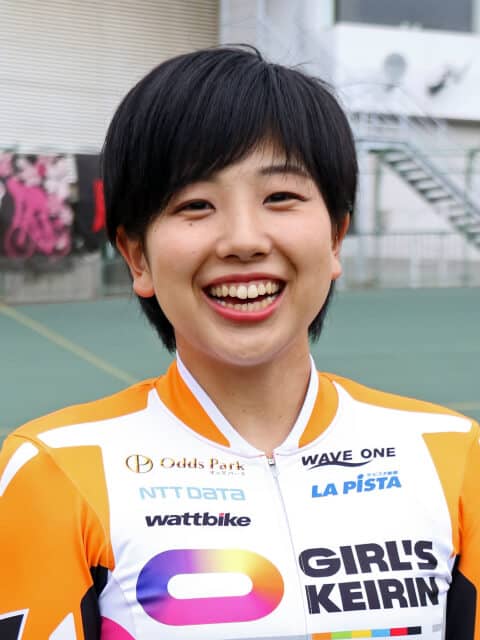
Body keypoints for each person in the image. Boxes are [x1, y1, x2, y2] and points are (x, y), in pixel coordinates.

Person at [0, 46, 478, 640]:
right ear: (136, 256)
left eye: (280, 197)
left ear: (336, 238)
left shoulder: (453, 456)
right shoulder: (55, 468)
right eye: (195, 205)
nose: (244, 240)